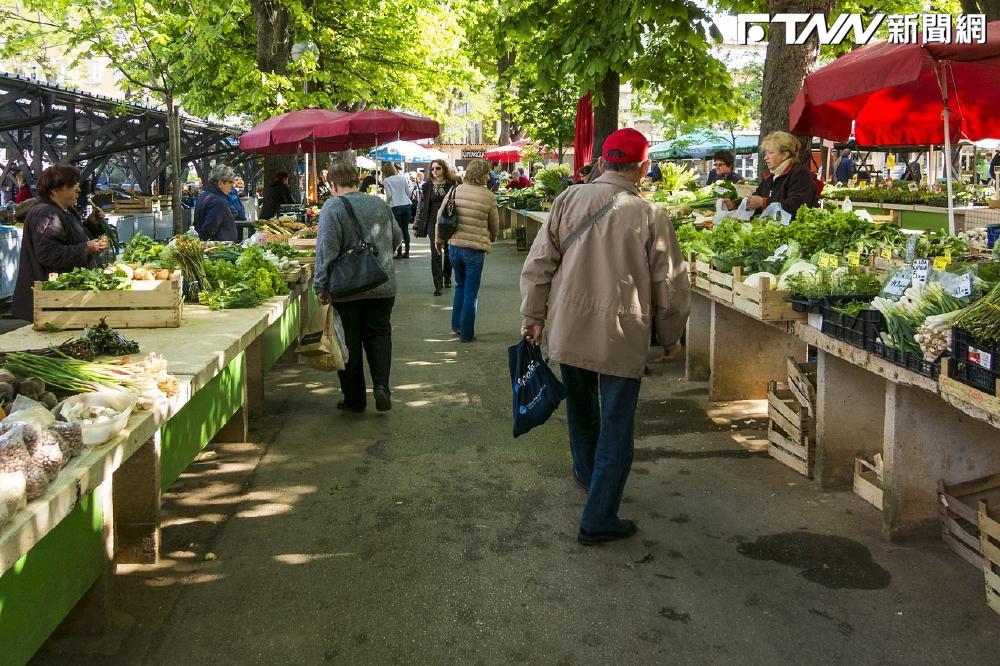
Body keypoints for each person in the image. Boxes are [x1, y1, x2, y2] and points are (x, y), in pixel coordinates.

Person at [519, 128, 691, 546]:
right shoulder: (650, 215)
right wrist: (670, 337)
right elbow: (669, 284)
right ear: (644, 168)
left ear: (600, 163)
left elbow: (540, 262)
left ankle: (586, 473)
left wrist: (533, 316)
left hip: (569, 326)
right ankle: (598, 517)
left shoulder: (568, 199)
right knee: (617, 426)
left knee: (581, 410)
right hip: (621, 333)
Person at [314, 153, 403, 414]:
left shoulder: (333, 207)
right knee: (379, 335)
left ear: (333, 184)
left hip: (347, 288)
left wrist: (321, 285)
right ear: (357, 180)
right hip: (383, 284)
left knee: (349, 341)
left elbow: (326, 250)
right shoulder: (379, 204)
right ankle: (382, 387)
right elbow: (397, 238)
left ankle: (354, 399)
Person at [11, 164, 109, 321]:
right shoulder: (46, 214)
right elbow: (50, 255)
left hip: (58, 300)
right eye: (72, 186)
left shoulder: (64, 210)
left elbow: (70, 236)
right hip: (48, 302)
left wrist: (92, 224)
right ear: (55, 190)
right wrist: (86, 249)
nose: (78, 190)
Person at [438, 159, 498, 343]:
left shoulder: (455, 190)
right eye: (487, 173)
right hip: (474, 249)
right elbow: (494, 224)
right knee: (471, 290)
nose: (489, 176)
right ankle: (466, 333)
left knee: (460, 286)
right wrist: (492, 238)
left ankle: (457, 325)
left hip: (455, 247)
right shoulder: (488, 196)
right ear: (482, 174)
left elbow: (441, 216)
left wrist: (438, 240)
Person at [723, 131, 818, 219]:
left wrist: (763, 202)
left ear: (785, 154)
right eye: (765, 153)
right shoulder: (772, 176)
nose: (765, 158)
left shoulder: (800, 174)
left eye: (770, 153)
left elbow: (797, 206)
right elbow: (756, 197)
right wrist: (735, 205)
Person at [413, 158, 456, 296]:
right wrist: (416, 224)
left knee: (449, 252)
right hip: (432, 222)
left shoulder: (452, 184)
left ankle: (447, 277)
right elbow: (421, 205)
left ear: (444, 169)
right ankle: (438, 285)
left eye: (438, 168)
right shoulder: (427, 186)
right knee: (436, 252)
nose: (435, 171)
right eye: (432, 169)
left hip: (448, 222)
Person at [194, 164, 238, 242]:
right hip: (218, 249)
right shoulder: (218, 201)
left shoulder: (204, 195)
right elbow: (208, 229)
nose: (232, 185)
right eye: (230, 182)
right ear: (220, 183)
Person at [381, 162, 413, 259]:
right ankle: (407, 252)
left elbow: (389, 195)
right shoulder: (402, 178)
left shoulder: (386, 180)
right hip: (407, 205)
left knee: (397, 230)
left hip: (396, 206)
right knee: (405, 229)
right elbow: (408, 192)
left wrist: (386, 203)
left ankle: (399, 252)